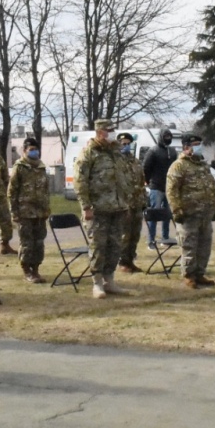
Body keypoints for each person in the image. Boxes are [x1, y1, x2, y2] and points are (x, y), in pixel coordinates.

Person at [74, 119, 130, 299]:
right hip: (98, 209)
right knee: (98, 246)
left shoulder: (116, 153)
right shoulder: (88, 153)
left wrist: (125, 203)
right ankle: (97, 283)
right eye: (109, 130)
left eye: (113, 129)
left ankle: (109, 280)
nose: (113, 133)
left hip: (117, 207)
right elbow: (80, 182)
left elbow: (123, 179)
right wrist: (86, 207)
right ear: (99, 132)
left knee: (114, 246)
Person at [166, 133, 215, 289]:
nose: (198, 147)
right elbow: (172, 190)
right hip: (188, 214)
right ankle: (189, 275)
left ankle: (200, 274)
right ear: (186, 147)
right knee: (189, 246)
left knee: (204, 246)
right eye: (195, 144)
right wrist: (177, 210)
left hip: (205, 213)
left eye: (199, 144)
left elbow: (210, 188)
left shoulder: (203, 165)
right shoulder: (179, 165)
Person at [8, 138, 51, 283]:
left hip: (40, 212)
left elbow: (46, 190)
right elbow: (12, 191)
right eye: (31, 149)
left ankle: (36, 269)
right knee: (27, 243)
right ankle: (27, 270)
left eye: (36, 149)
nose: (34, 152)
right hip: (25, 212)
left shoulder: (41, 167)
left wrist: (46, 209)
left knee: (39, 242)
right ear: (24, 151)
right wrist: (14, 212)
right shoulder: (19, 167)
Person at [117, 132, 146, 273]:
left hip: (137, 203)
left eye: (129, 144)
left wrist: (144, 200)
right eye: (124, 144)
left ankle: (130, 260)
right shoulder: (116, 162)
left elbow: (141, 181)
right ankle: (122, 262)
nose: (126, 146)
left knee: (135, 234)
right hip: (123, 205)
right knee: (125, 235)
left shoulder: (135, 161)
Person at [143, 128, 176, 250]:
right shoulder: (153, 151)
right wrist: (147, 181)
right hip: (156, 187)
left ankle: (165, 238)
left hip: (169, 187)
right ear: (161, 137)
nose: (168, 138)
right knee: (154, 214)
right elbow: (146, 167)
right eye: (165, 136)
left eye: (169, 136)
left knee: (167, 214)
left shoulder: (172, 151)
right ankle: (151, 240)